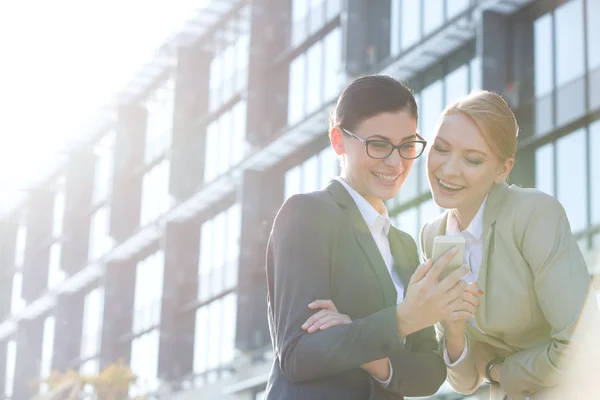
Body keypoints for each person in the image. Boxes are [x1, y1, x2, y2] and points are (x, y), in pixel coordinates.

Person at [264, 75, 474, 400]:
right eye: (378, 144)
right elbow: (298, 354)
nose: (395, 162)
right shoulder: (307, 214)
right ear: (338, 140)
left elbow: (430, 373)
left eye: (406, 146)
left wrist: (367, 352)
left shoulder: (403, 244)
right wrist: (401, 320)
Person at [419, 90, 600, 399]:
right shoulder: (433, 235)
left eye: (472, 159)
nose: (448, 169)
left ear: (502, 170)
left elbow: (583, 346)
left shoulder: (534, 215)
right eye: (441, 148)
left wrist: (497, 371)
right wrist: (453, 329)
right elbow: (463, 382)